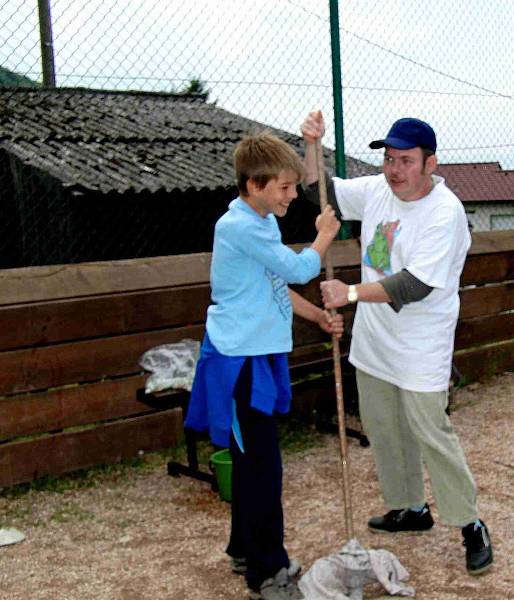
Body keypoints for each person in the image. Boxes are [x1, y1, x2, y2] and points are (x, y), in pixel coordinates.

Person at [299, 112, 493, 575]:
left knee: (431, 432)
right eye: (388, 158)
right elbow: (317, 189)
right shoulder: (377, 191)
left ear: (430, 163)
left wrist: (348, 294)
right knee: (384, 427)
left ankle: (470, 524)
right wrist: (310, 143)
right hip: (374, 341)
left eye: (405, 160)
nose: (393, 169)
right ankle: (410, 507)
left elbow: (414, 285)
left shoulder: (444, 213)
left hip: (421, 345)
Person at [184, 132, 342, 600]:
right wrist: (325, 237)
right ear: (254, 185)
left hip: (258, 352)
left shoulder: (259, 218)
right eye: (284, 188)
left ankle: (243, 547)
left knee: (254, 462)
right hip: (238, 362)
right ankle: (266, 571)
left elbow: (274, 282)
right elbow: (296, 270)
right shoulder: (241, 226)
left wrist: (316, 315)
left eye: (294, 187)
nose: (293, 195)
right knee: (261, 468)